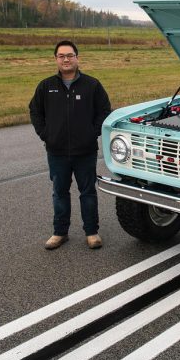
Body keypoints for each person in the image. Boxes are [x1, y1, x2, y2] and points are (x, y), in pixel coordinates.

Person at [29, 40, 111, 250]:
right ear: (56, 59)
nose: (66, 59)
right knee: (60, 193)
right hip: (56, 152)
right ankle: (60, 233)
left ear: (77, 57)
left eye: (70, 55)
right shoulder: (46, 86)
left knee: (88, 193)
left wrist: (91, 133)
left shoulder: (92, 85)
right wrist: (46, 134)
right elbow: (35, 111)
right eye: (61, 56)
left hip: (85, 151)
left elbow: (104, 111)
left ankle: (92, 232)